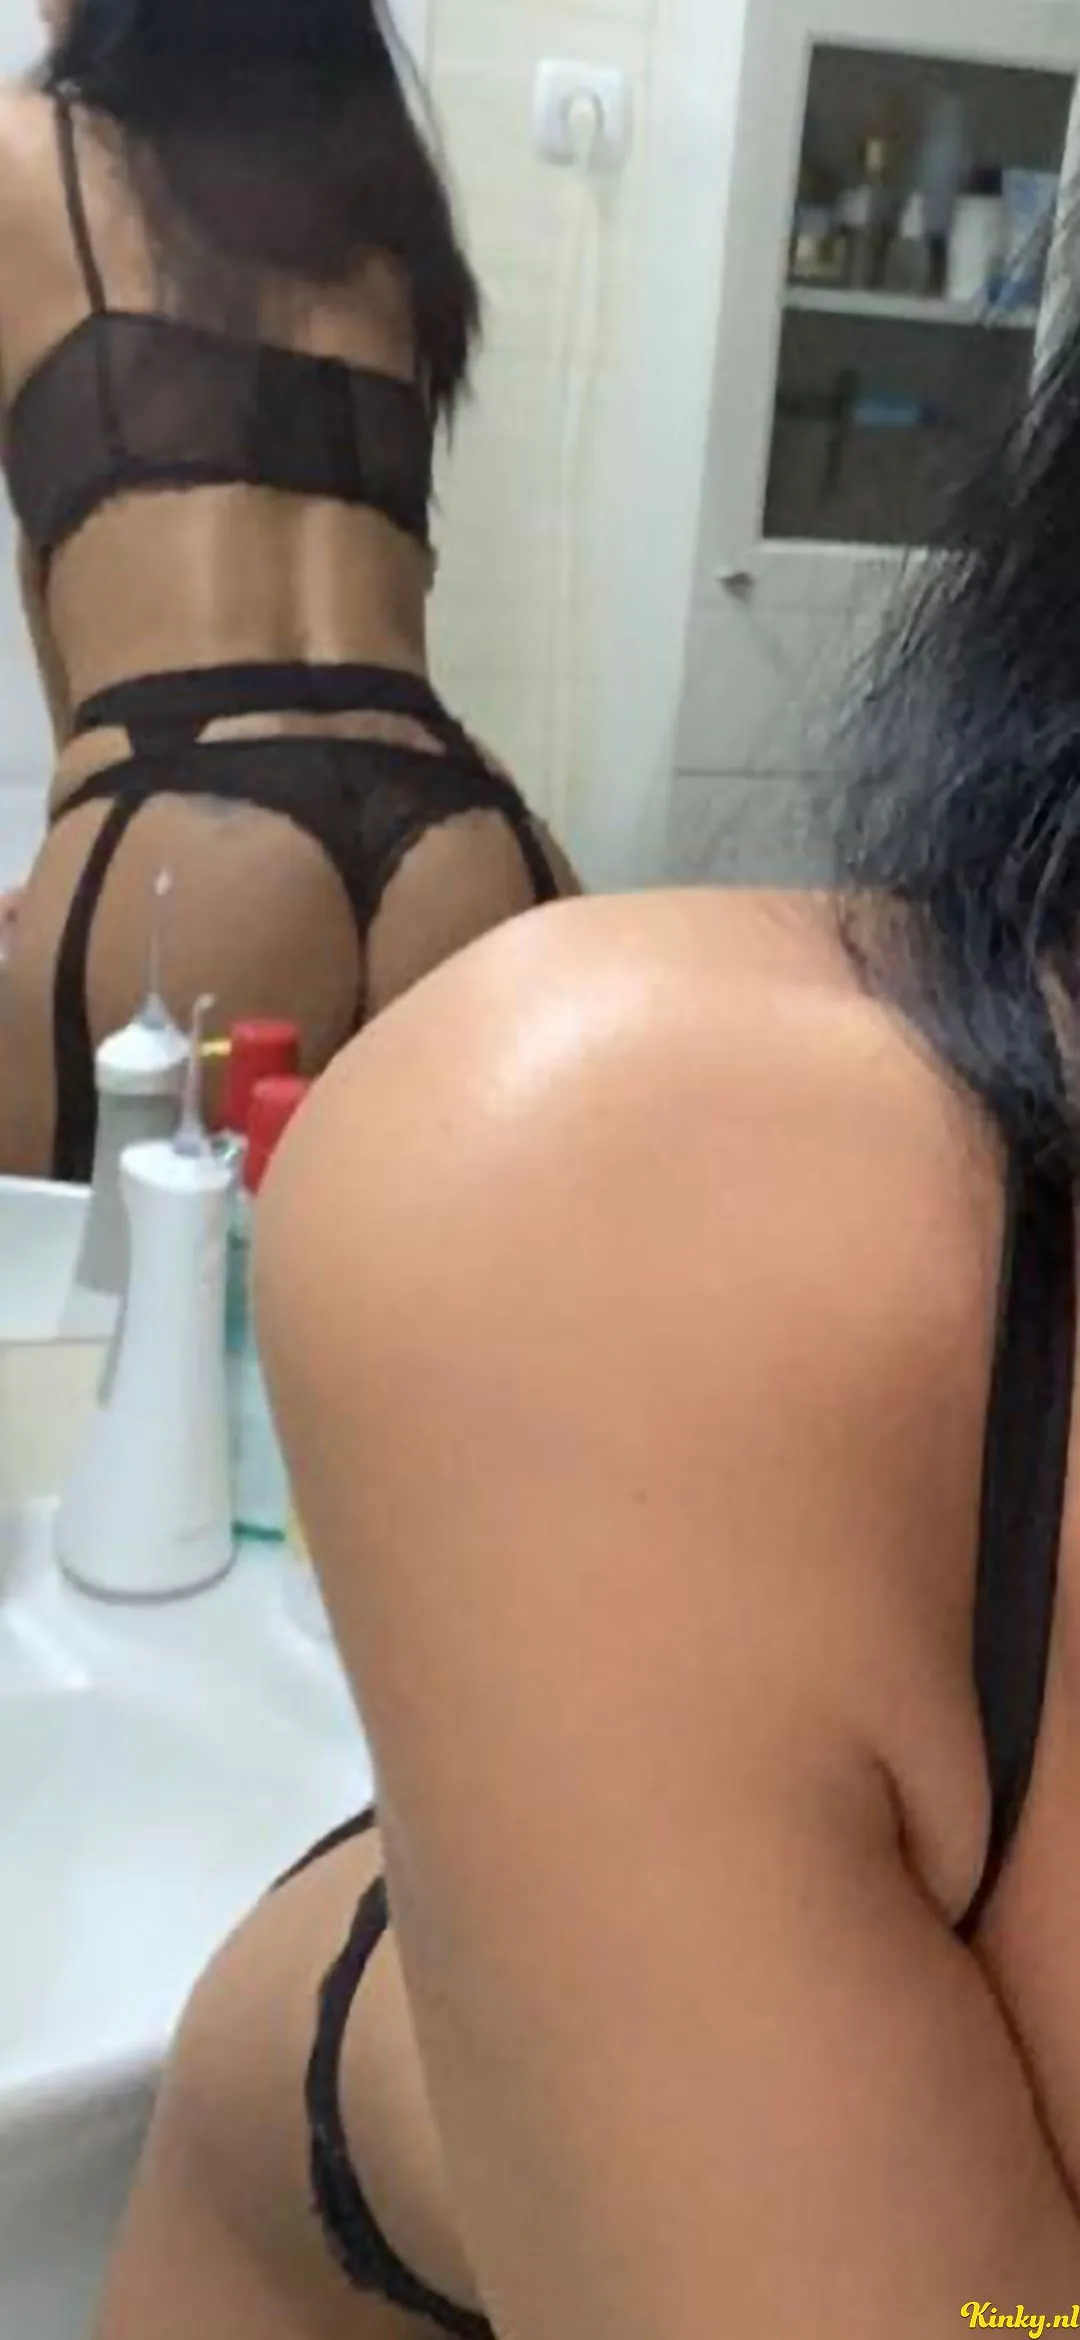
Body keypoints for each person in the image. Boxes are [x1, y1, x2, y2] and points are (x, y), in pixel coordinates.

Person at [94, 186, 1080, 2340]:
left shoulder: (31, 154)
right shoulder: (380, 199)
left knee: (139, 1240)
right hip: (442, 795)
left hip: (163, 780)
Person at [0, 0, 574, 1183]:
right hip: (464, 841)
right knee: (400, 1302)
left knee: (73, 1295)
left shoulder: (22, 155)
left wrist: (98, 838)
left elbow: (87, 545)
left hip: (181, 831)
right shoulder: (385, 230)